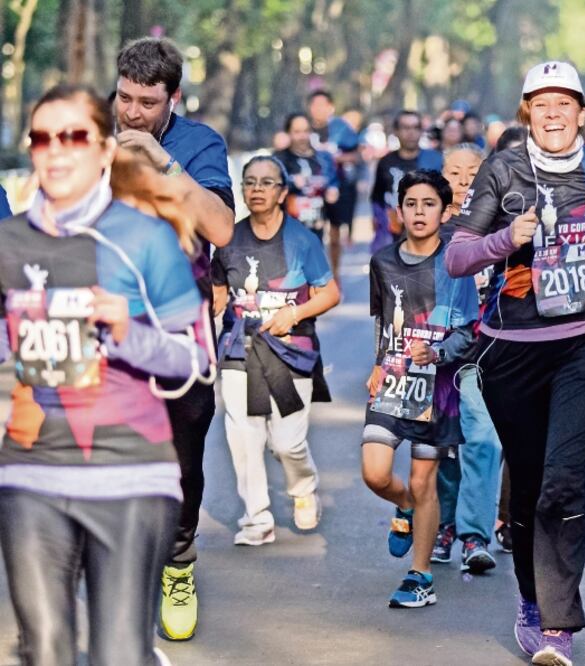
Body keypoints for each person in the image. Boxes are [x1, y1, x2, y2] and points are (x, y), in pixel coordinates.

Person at [0, 84, 211, 665]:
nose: (56, 150)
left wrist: (126, 331)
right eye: (43, 138)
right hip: (33, 469)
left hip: (129, 471)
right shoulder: (9, 242)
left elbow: (195, 359)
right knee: (45, 649)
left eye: (73, 136)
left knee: (118, 654)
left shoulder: (144, 238)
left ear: (103, 150)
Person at [446, 60, 585, 666]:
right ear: (527, 113)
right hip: (514, 347)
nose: (553, 114)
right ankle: (531, 601)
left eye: (564, 103)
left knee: (562, 480)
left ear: (582, 113)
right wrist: (507, 239)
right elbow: (457, 256)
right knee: (530, 482)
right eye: (542, 104)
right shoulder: (502, 170)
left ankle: (558, 624)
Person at [114, 35, 235, 642]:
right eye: (125, 98)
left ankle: (178, 564)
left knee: (182, 463)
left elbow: (221, 227)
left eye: (147, 102)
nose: (132, 113)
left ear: (173, 99)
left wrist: (161, 162)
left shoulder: (198, 145)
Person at [362, 170, 479, 608]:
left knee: (423, 479)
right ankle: (405, 505)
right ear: (399, 210)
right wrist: (377, 363)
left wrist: (439, 352)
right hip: (393, 383)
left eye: (429, 204)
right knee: (375, 473)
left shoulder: (456, 264)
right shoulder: (382, 261)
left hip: (438, 389)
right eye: (411, 203)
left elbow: (469, 330)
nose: (419, 212)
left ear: (445, 212)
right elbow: (382, 321)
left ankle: (420, 575)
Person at [211, 156, 340, 546]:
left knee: (287, 442)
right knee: (243, 435)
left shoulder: (302, 240)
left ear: (282, 192)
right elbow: (217, 295)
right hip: (240, 347)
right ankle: (257, 518)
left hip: (291, 351)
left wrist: (294, 313)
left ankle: (303, 488)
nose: (257, 189)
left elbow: (330, 293)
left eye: (267, 183)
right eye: (250, 182)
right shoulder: (228, 239)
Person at [431, 143, 504, 574]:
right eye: (453, 173)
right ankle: (443, 525)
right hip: (439, 353)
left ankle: (474, 534)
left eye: (472, 172)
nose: (462, 181)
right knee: (443, 445)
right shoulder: (431, 228)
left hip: (489, 351)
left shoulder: (500, 225)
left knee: (483, 440)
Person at [369, 110, 444, 253]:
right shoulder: (385, 162)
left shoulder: (435, 160)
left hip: (428, 234)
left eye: (415, 128)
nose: (411, 133)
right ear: (396, 131)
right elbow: (377, 197)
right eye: (405, 128)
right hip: (393, 234)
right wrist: (381, 220)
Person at [307, 90, 360, 276]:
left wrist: (336, 158)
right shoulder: (304, 129)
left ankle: (335, 275)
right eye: (315, 105)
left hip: (337, 186)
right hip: (310, 189)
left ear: (331, 107)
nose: (318, 109)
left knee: (335, 234)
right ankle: (314, 275)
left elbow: (356, 155)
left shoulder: (341, 128)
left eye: (323, 105)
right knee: (311, 235)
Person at [274, 112, 340, 240]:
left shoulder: (323, 159)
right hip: (287, 231)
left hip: (316, 228)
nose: (302, 136)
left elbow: (333, 182)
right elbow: (270, 186)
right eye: (297, 132)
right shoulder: (279, 160)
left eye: (306, 131)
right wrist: (291, 183)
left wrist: (333, 190)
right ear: (288, 133)